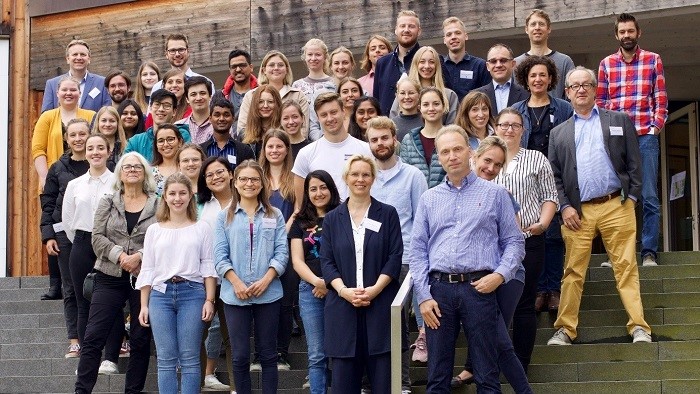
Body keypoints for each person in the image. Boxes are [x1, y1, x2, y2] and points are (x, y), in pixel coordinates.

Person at [408, 125, 526, 392]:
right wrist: (423, 296)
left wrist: (500, 275)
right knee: (437, 376)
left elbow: (514, 242)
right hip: (438, 293)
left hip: (479, 289)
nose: (452, 156)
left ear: (470, 152)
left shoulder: (495, 195)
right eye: (445, 151)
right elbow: (417, 251)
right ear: (438, 157)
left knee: (486, 374)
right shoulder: (429, 199)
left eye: (458, 149)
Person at [546, 67, 652, 346]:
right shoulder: (558, 133)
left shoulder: (618, 120)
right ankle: (566, 329)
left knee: (626, 267)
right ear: (567, 93)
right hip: (576, 213)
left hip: (616, 204)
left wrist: (631, 198)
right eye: (574, 86)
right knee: (572, 271)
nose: (581, 89)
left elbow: (634, 163)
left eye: (586, 84)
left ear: (595, 89)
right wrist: (565, 207)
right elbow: (554, 175)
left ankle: (639, 327)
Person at [451, 136, 531, 392]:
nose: (491, 168)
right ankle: (471, 371)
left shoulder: (502, 195)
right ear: (474, 156)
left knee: (497, 339)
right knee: (488, 334)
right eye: (488, 161)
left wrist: (499, 273)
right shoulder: (454, 193)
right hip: (479, 276)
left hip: (507, 277)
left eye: (498, 165)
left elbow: (514, 241)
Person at [74, 152, 157, 394]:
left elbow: (161, 236)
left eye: (137, 167)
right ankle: (82, 391)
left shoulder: (158, 203)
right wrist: (121, 256)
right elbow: (96, 238)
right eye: (127, 166)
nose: (132, 170)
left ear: (145, 173)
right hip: (109, 276)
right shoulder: (108, 201)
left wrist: (139, 256)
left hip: (142, 279)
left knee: (141, 340)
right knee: (93, 337)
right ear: (120, 172)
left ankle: (133, 391)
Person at [320, 155, 403, 394]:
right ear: (346, 178)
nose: (360, 179)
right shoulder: (333, 219)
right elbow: (326, 261)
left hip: (380, 308)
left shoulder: (387, 214)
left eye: (366, 174)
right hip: (342, 310)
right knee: (343, 386)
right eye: (355, 174)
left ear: (373, 179)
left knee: (383, 384)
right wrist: (344, 291)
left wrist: (375, 290)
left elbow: (395, 256)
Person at [596, 12, 668, 267]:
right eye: (622, 32)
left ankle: (649, 252)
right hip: (617, 139)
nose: (627, 35)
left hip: (645, 137)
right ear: (617, 35)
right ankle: (618, 255)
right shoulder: (606, 64)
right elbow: (601, 102)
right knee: (617, 197)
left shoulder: (653, 60)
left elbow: (660, 98)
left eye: (630, 31)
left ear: (638, 33)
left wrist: (655, 127)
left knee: (648, 194)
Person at [136, 173, 218, 394]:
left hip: (192, 293)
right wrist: (144, 304)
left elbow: (208, 266)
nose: (177, 198)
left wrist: (210, 300)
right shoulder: (154, 230)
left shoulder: (202, 228)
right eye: (172, 193)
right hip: (160, 296)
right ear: (164, 196)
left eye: (182, 193)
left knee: (190, 357)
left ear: (191, 196)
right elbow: (148, 269)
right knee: (165, 358)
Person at [214, 160, 289, 394]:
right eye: (244, 179)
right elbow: (219, 256)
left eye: (254, 179)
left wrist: (267, 279)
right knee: (239, 356)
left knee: (268, 354)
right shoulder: (223, 217)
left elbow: (281, 252)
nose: (249, 183)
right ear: (235, 183)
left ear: (263, 183)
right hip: (234, 295)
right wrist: (236, 282)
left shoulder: (274, 215)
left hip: (269, 294)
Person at [492, 109, 558, 371]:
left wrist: (542, 224)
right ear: (495, 127)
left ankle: (520, 364)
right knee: (489, 305)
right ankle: (487, 363)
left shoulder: (536, 158)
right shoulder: (486, 158)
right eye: (504, 124)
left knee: (524, 303)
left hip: (527, 240)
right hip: (491, 245)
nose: (509, 129)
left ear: (523, 129)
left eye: (515, 125)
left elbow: (550, 196)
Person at [367, 117, 428, 392]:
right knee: (368, 325)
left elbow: (422, 222)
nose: (380, 144)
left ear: (394, 139)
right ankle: (369, 383)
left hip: (403, 263)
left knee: (398, 327)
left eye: (384, 138)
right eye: (374, 139)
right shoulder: (364, 176)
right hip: (367, 262)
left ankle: (401, 384)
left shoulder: (414, 176)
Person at [511, 55, 572, 312]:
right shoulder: (516, 110)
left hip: (556, 177)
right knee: (532, 235)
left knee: (554, 236)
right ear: (526, 79)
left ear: (551, 79)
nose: (538, 79)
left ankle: (553, 289)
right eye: (533, 75)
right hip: (527, 177)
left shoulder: (564, 109)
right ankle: (537, 289)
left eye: (543, 75)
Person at [40, 118, 90, 355]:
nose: (78, 139)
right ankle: (75, 340)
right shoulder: (57, 168)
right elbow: (48, 202)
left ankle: (108, 337)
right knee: (70, 287)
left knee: (100, 286)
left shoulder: (99, 163)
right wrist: (48, 235)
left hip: (93, 233)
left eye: (83, 134)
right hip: (63, 233)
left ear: (89, 135)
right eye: (73, 135)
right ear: (67, 139)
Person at [62, 134, 116, 346]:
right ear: (85, 153)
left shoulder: (117, 182)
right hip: (82, 244)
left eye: (100, 148)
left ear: (109, 151)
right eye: (91, 148)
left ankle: (110, 357)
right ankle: (87, 355)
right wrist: (82, 241)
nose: (95, 152)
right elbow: (68, 220)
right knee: (83, 301)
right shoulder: (75, 185)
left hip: (110, 244)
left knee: (111, 301)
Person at [290, 170, 341, 394]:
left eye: (323, 187)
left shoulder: (343, 215)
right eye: (313, 189)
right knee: (317, 353)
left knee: (341, 350)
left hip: (341, 291)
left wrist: (329, 284)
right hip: (309, 291)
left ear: (331, 189)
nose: (318, 193)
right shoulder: (299, 221)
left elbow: (350, 255)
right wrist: (318, 283)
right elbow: (297, 261)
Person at [196, 156, 236, 392]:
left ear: (231, 174)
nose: (215, 177)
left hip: (235, 280)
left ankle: (236, 387)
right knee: (197, 335)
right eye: (209, 175)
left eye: (220, 172)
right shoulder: (201, 205)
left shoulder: (244, 201)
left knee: (233, 338)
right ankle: (197, 385)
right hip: (204, 280)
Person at [259, 129, 297, 371]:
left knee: (284, 302)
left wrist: (283, 230)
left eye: (279, 146)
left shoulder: (295, 178)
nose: (274, 151)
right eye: (270, 146)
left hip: (288, 244)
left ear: (286, 149)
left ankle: (281, 353)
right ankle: (260, 353)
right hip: (260, 245)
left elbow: (299, 209)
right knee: (260, 300)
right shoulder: (257, 177)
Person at [292, 92, 372, 203]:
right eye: (324, 115)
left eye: (333, 112)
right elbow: (300, 206)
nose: (330, 119)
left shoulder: (365, 149)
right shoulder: (306, 153)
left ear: (344, 112)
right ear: (318, 118)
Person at [32, 76, 96, 190]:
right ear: (57, 93)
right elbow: (38, 149)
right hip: (55, 178)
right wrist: (45, 177)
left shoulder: (92, 116)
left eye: (73, 90)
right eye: (64, 90)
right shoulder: (47, 117)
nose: (68, 93)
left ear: (79, 93)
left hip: (87, 177)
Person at [238, 50, 309, 139]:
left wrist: (283, 148)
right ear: (264, 70)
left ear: (286, 69)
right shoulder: (251, 95)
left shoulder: (298, 95)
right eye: (271, 65)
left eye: (280, 65)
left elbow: (304, 130)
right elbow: (243, 128)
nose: (276, 68)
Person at [515, 9, 575, 99]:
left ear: (549, 29)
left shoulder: (564, 61)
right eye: (533, 24)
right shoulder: (516, 63)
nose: (537, 28)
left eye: (541, 24)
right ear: (526, 29)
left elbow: (572, 95)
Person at [390, 46, 459, 125]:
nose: (427, 66)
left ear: (437, 65)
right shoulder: (405, 93)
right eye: (422, 62)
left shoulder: (449, 95)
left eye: (432, 62)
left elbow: (453, 128)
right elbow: (392, 124)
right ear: (416, 64)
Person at [41, 39, 110, 113]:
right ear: (67, 59)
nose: (79, 58)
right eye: (75, 54)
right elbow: (46, 115)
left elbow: (108, 113)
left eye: (83, 54)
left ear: (89, 58)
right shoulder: (52, 84)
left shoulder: (102, 83)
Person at [374, 10, 422, 115]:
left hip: (421, 125)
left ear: (419, 31)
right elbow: (376, 101)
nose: (406, 30)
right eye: (402, 26)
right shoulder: (382, 63)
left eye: (411, 26)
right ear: (396, 30)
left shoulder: (429, 59)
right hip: (387, 126)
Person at [124, 89, 191, 162]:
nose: (161, 109)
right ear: (150, 108)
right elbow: (124, 166)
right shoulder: (136, 141)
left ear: (174, 111)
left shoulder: (182, 135)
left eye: (166, 106)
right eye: (157, 105)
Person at [399, 87, 447, 189]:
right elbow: (404, 175)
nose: (431, 108)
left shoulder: (452, 138)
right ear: (420, 108)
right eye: (426, 104)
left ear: (443, 106)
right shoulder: (409, 140)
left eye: (436, 104)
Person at [292, 39, 337, 141]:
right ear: (305, 57)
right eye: (310, 55)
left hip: (326, 137)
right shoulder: (297, 85)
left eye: (317, 54)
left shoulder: (333, 83)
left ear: (325, 57)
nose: (313, 58)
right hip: (300, 138)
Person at [440, 16, 490, 101]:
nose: (453, 37)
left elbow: (487, 97)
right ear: (444, 40)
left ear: (466, 36)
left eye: (458, 33)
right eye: (449, 34)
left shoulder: (480, 66)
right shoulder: (439, 66)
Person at [150, 33, 215, 94]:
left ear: (188, 51)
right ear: (166, 54)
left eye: (181, 50)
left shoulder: (205, 83)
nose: (177, 54)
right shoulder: (158, 88)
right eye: (173, 50)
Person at [200, 97, 256, 168]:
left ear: (233, 118)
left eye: (226, 115)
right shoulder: (200, 150)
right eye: (217, 115)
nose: (221, 119)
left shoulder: (245, 151)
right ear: (210, 119)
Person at [475, 43, 529, 114]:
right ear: (488, 66)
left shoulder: (527, 95)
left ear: (513, 64)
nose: (498, 65)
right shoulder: (475, 95)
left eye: (503, 60)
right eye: (493, 61)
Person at [242, 85, 283, 159]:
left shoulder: (284, 132)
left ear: (277, 104)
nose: (265, 106)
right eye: (260, 102)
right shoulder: (243, 135)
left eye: (270, 102)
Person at [176, 76, 214, 144]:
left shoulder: (220, 124)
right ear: (187, 99)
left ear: (210, 97)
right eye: (193, 94)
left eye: (202, 93)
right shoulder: (178, 127)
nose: (198, 98)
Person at [222, 49, 257, 120]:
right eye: (234, 67)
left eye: (242, 65)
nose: (238, 69)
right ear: (230, 70)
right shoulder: (221, 96)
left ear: (251, 68)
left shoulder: (261, 93)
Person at [151, 123, 185, 196]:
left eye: (170, 139)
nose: (166, 144)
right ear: (156, 145)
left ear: (180, 142)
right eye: (161, 141)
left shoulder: (188, 168)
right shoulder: (150, 173)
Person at [92, 106, 128, 171]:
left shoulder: (127, 147)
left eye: (112, 121)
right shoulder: (89, 148)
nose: (108, 124)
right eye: (104, 120)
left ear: (117, 123)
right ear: (98, 123)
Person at [391, 78, 423, 143]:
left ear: (419, 95)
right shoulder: (391, 124)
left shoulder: (427, 121)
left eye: (411, 93)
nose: (407, 97)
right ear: (397, 96)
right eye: (402, 93)